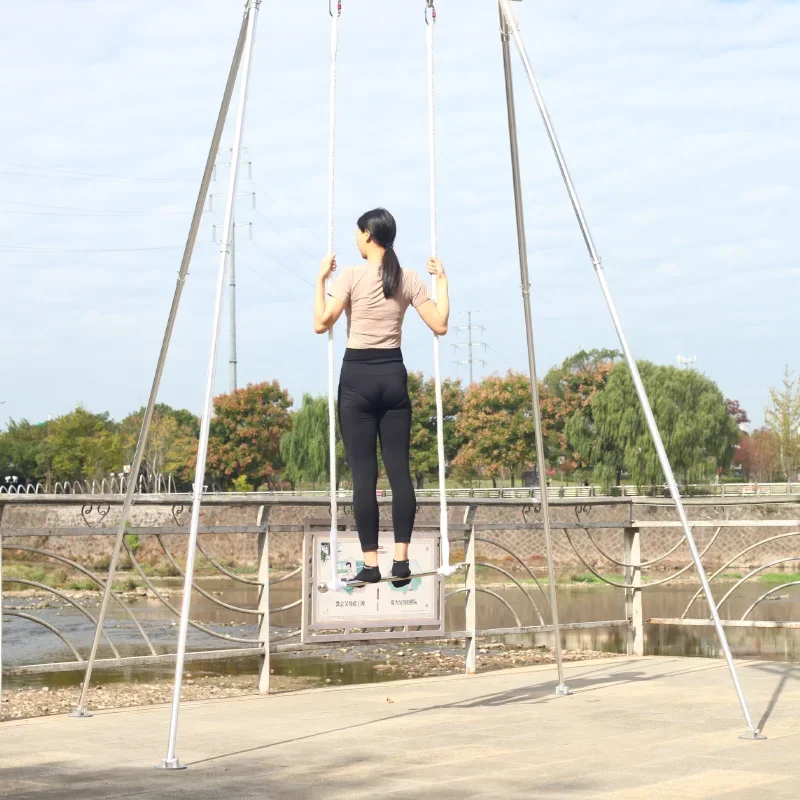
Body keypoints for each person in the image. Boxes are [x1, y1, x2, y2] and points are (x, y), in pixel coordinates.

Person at [313, 208, 449, 588]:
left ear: (368, 236)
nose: (355, 240)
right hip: (393, 375)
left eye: (357, 234)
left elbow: (321, 322)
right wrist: (444, 282)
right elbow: (440, 324)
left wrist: (320, 279)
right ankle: (401, 562)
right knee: (399, 471)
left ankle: (372, 564)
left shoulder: (350, 277)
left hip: (357, 378)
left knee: (364, 475)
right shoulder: (409, 279)